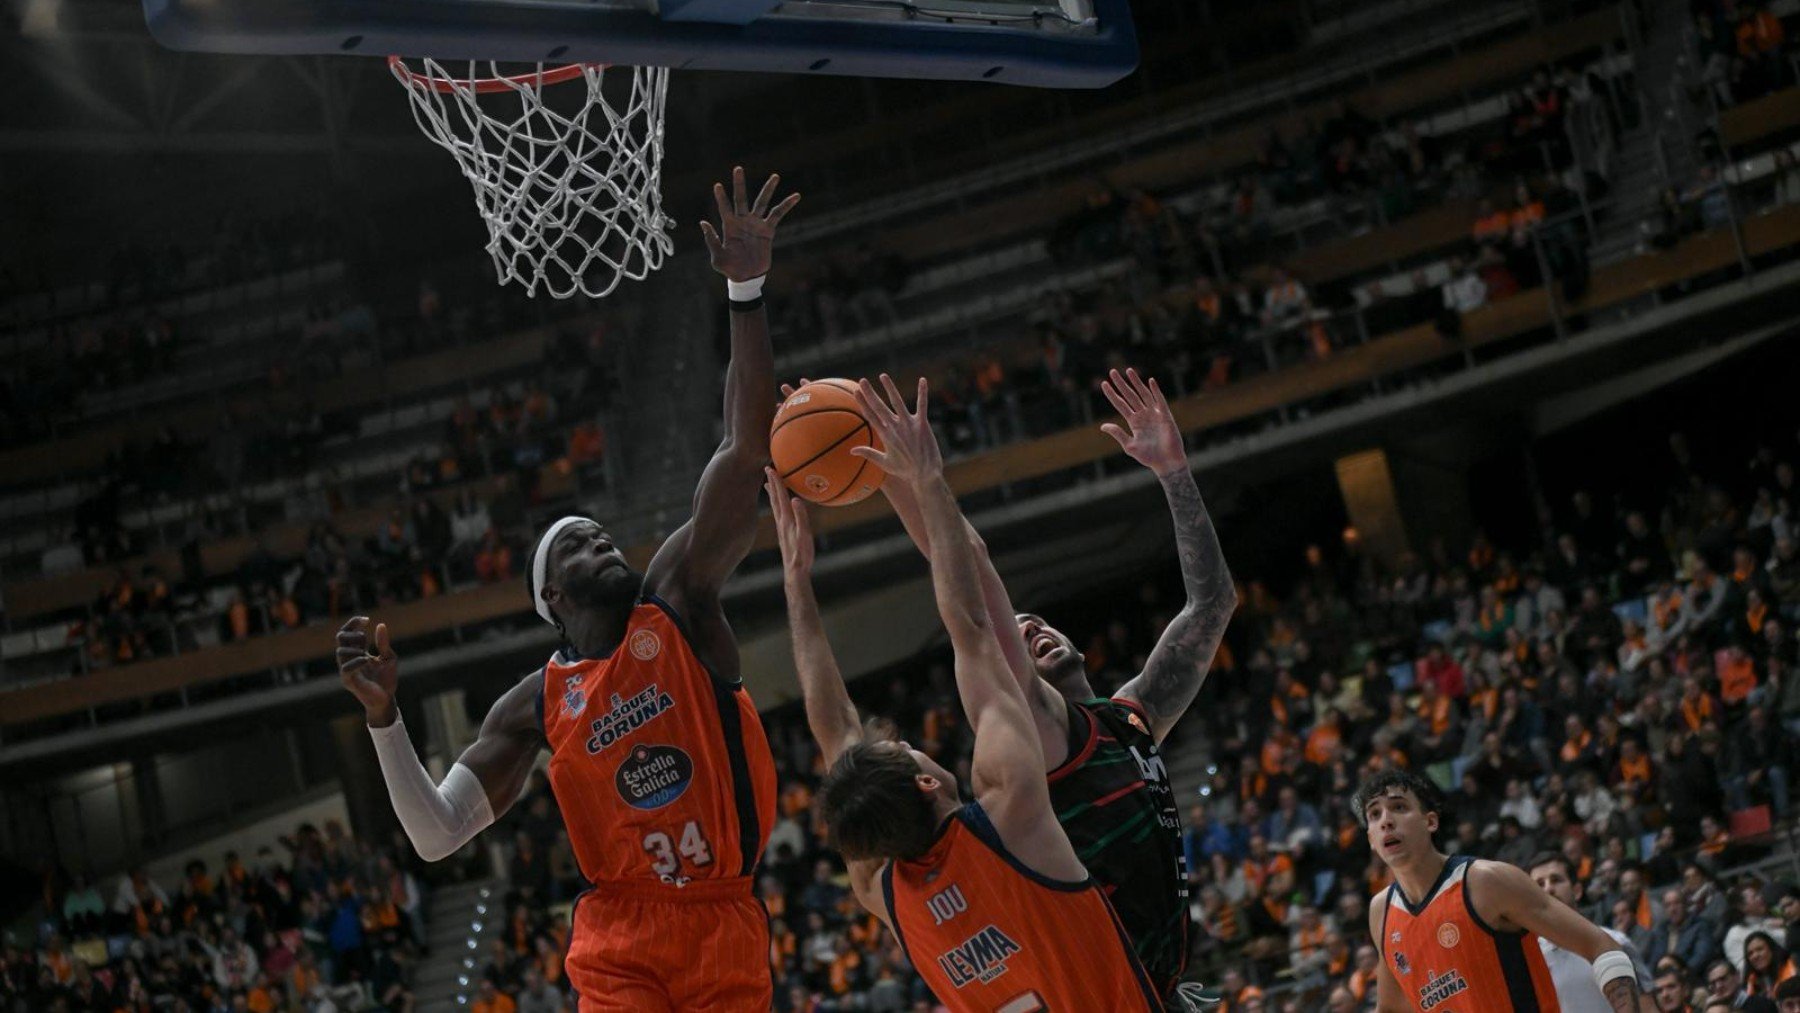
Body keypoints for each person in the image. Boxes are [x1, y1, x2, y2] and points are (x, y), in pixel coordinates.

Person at [336, 167, 800, 1011]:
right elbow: (438, 835)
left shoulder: (678, 600)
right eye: (577, 541)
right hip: (620, 935)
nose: (600, 537)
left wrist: (745, 289)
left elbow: (743, 451)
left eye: (603, 531)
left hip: (722, 915)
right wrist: (384, 718)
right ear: (550, 596)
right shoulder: (533, 704)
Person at [768, 375, 1164, 1011]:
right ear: (927, 783)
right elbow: (973, 630)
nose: (921, 750)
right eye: (909, 754)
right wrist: (925, 482)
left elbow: (832, 727)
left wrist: (796, 583)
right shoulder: (1009, 813)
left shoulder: (885, 892)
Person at [1358, 769, 1647, 1011]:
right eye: (1374, 814)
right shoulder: (1381, 912)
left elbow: (1601, 947)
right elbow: (1393, 1009)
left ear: (1430, 821)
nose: (1386, 820)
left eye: (1399, 807)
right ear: (1371, 839)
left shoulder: (1485, 881)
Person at [1529, 852, 1658, 1012]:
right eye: (1539, 884)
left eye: (1556, 880)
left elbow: (1648, 1007)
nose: (1548, 888)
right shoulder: (1529, 960)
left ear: (1577, 890)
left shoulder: (1616, 942)